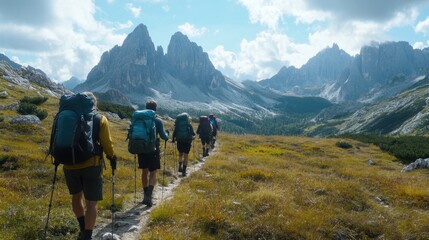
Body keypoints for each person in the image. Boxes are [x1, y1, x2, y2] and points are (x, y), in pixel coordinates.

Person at [61, 92, 117, 240]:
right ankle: (88, 235)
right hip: (91, 165)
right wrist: (112, 157)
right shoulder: (99, 119)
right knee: (91, 203)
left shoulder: (64, 116)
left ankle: (82, 228)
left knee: (76, 196)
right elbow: (107, 144)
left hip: (69, 164)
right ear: (93, 104)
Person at [138, 100, 169, 207]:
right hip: (153, 149)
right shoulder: (158, 121)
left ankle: (145, 194)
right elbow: (164, 136)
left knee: (144, 172)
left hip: (141, 149)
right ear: (155, 109)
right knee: (153, 172)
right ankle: (149, 196)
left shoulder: (140, 119)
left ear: (145, 107)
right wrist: (167, 134)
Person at [172, 113, 195, 177]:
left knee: (180, 154)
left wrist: (173, 140)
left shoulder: (178, 125)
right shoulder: (189, 125)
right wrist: (193, 136)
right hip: (187, 141)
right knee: (186, 156)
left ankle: (179, 166)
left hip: (180, 141)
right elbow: (193, 133)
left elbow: (174, 133)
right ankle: (184, 171)